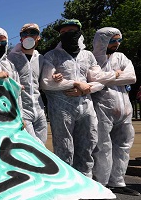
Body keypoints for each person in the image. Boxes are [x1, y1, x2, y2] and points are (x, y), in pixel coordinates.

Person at [40, 19, 119, 178]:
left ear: (78, 33)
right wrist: (74, 83)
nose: (66, 35)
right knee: (64, 145)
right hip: (62, 108)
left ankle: (85, 179)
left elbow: (99, 80)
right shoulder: (52, 55)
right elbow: (46, 82)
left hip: (85, 105)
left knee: (88, 142)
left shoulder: (88, 55)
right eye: (62, 33)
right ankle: (67, 181)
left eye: (70, 32)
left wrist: (85, 89)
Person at [91, 27, 139, 196]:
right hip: (103, 107)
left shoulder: (121, 57)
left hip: (124, 108)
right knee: (103, 145)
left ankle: (117, 181)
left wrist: (107, 77)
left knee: (124, 144)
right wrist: (116, 75)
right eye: (113, 40)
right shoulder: (92, 58)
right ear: (102, 41)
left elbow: (132, 77)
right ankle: (102, 182)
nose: (117, 44)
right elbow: (93, 78)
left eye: (119, 40)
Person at [8, 23, 48, 143]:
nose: (29, 36)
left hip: (39, 110)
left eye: (33, 33)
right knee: (34, 146)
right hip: (23, 111)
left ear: (39, 37)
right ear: (21, 38)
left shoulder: (41, 58)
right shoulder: (11, 58)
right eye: (25, 34)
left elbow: (43, 82)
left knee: (43, 146)